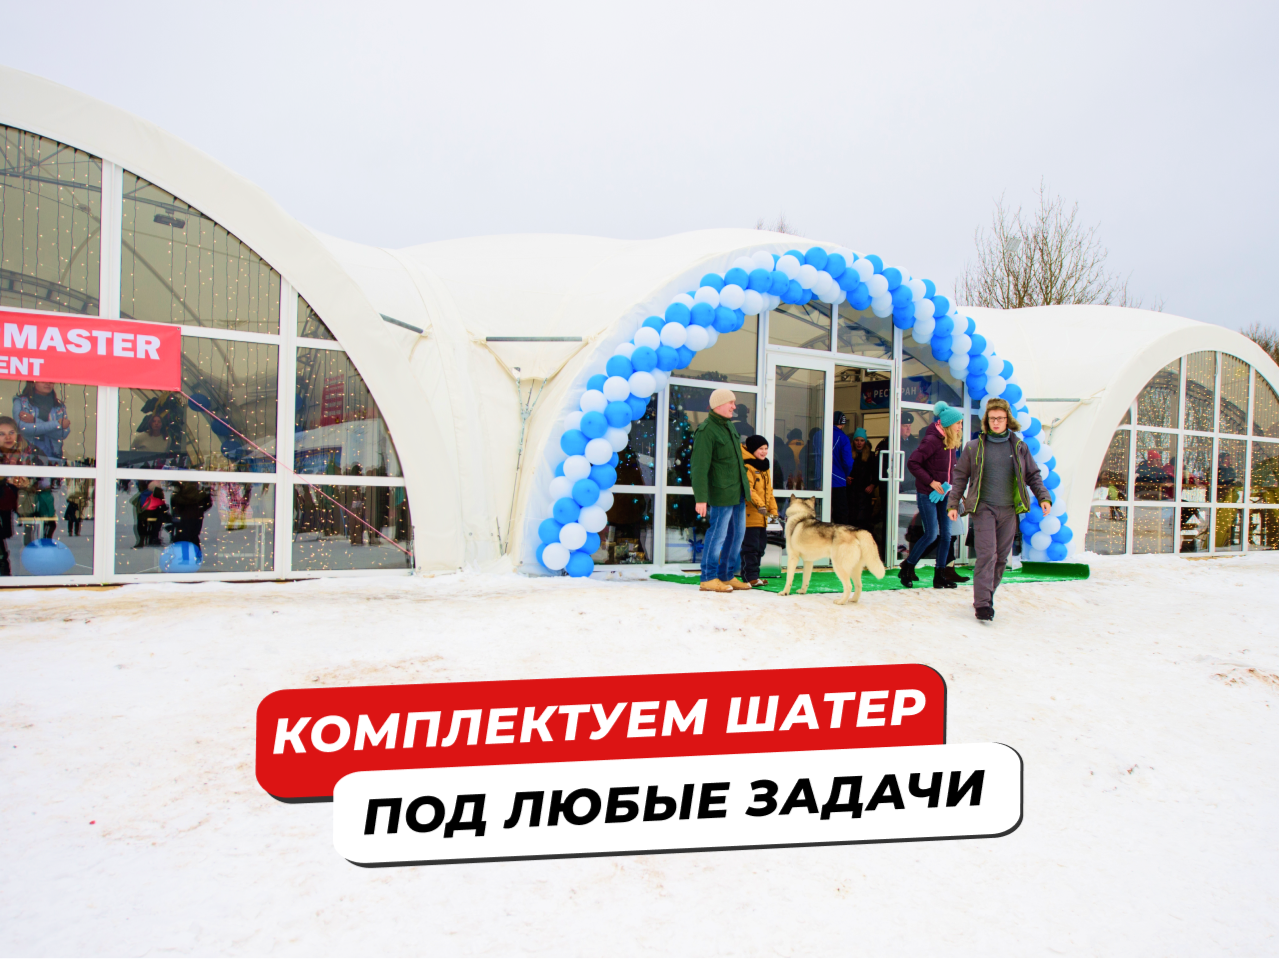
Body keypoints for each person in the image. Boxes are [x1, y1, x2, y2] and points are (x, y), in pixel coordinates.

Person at [948, 397, 1052, 622]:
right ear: (986, 420)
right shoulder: (974, 447)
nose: (996, 422)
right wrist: (953, 503)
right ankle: (983, 604)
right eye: (992, 418)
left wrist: (1043, 497)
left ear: (1007, 420)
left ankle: (986, 596)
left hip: (1009, 510)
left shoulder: (1019, 447)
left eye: (1000, 418)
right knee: (987, 555)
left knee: (1002, 558)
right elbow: (960, 476)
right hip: (983, 508)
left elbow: (1033, 475)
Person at [691, 388, 752, 593]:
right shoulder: (707, 430)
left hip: (737, 493)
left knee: (737, 536)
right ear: (718, 404)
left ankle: (726, 575)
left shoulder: (728, 426)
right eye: (731, 403)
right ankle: (708, 578)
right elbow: (699, 467)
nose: (734, 407)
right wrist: (701, 498)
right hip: (721, 494)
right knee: (717, 536)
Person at [899, 402, 964, 589]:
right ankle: (907, 567)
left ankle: (940, 576)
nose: (960, 427)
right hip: (928, 493)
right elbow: (913, 463)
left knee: (946, 535)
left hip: (945, 494)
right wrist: (931, 482)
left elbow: (950, 470)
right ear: (949, 423)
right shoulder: (932, 440)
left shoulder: (950, 441)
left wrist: (955, 490)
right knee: (931, 534)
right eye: (958, 423)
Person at [740, 434, 778, 587]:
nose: (764, 452)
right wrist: (760, 505)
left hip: (762, 517)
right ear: (752, 449)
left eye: (766, 448)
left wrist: (773, 511)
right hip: (750, 514)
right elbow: (749, 490)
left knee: (760, 547)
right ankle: (749, 577)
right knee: (751, 547)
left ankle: (755, 576)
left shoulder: (764, 467)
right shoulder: (747, 467)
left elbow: (769, 491)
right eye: (760, 449)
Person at [0, 416, 32, 575]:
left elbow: (33, 480)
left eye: (11, 432)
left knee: (8, 543)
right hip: (4, 504)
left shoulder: (24, 455)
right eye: (2, 434)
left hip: (10, 507)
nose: (7, 437)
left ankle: (7, 578)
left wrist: (25, 482)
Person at [14, 382, 70, 463]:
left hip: (52, 455)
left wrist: (34, 421)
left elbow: (63, 434)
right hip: (27, 454)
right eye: (43, 380)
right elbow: (23, 428)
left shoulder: (58, 405)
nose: (48, 383)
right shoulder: (21, 402)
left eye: (51, 381)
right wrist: (57, 424)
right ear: (33, 382)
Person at [830, 411, 854, 525]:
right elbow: (848, 462)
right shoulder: (843, 438)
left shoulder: (819, 435)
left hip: (819, 483)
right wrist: (846, 474)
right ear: (843, 424)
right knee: (841, 516)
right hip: (838, 482)